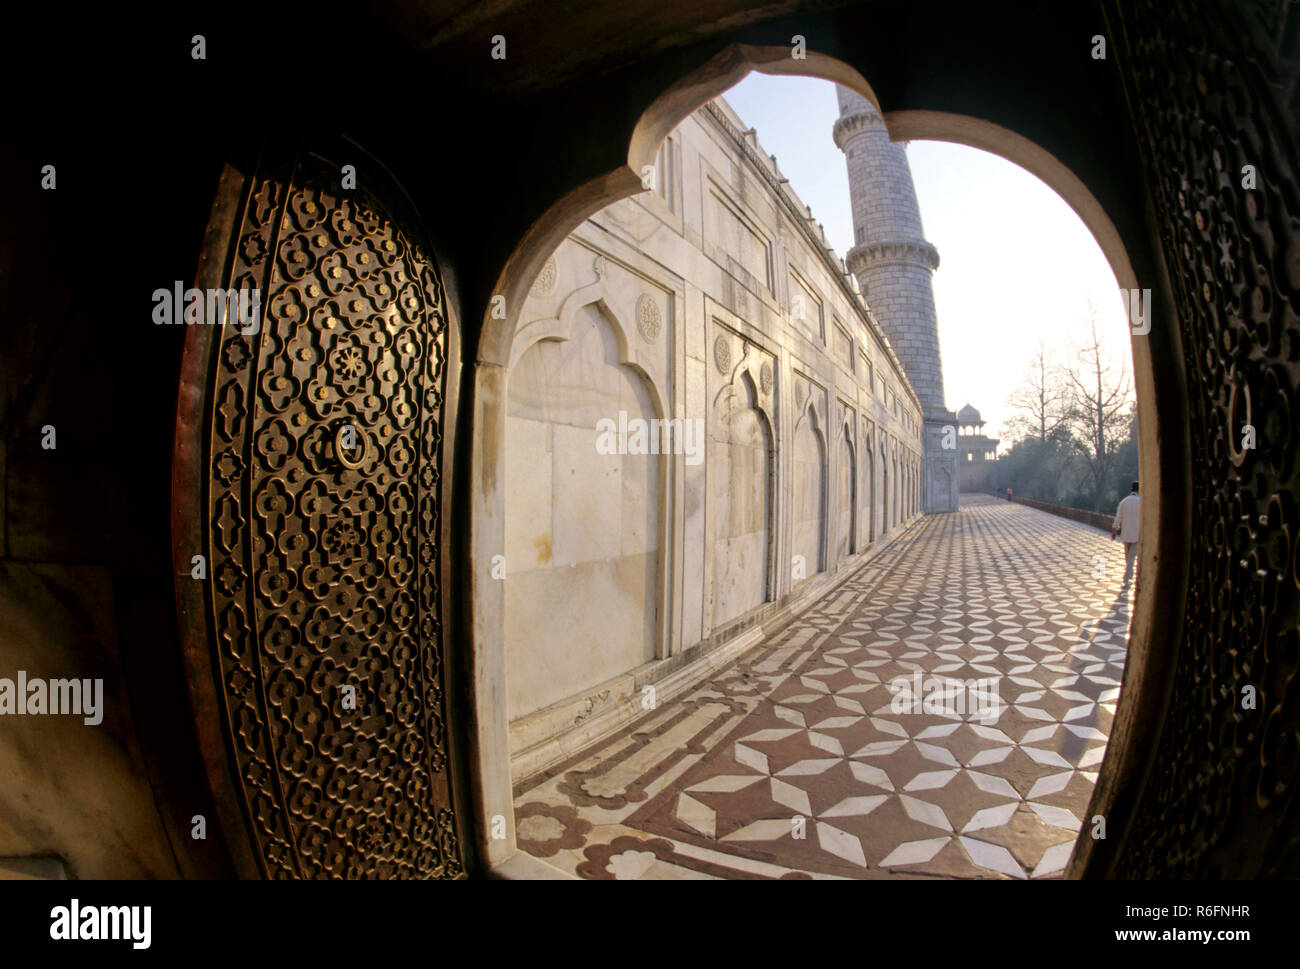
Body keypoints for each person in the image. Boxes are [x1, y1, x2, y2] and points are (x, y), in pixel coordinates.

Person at [1111, 481, 1140, 583]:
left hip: (1126, 533)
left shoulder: (1124, 501)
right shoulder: (1141, 502)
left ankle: (1128, 575)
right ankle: (1127, 576)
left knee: (1128, 556)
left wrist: (1114, 529)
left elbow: (1119, 517)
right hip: (1136, 534)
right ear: (1139, 490)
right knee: (1132, 557)